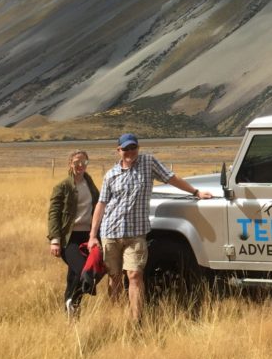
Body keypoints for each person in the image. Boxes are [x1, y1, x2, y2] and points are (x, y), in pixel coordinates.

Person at [88, 133, 213, 323]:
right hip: (111, 232)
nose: (130, 152)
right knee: (114, 277)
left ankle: (136, 319)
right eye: (126, 149)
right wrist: (92, 235)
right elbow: (101, 204)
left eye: (133, 148)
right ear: (118, 151)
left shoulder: (148, 163)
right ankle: (117, 316)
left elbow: (171, 178)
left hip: (136, 233)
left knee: (135, 275)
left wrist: (195, 192)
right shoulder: (110, 175)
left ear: (138, 148)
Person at [47, 149, 100, 319]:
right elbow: (54, 214)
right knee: (83, 270)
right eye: (76, 162)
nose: (80, 166)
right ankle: (73, 301)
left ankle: (71, 310)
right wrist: (55, 240)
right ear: (70, 164)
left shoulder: (90, 184)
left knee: (73, 277)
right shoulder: (62, 186)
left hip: (88, 236)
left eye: (84, 162)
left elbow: (99, 206)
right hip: (69, 238)